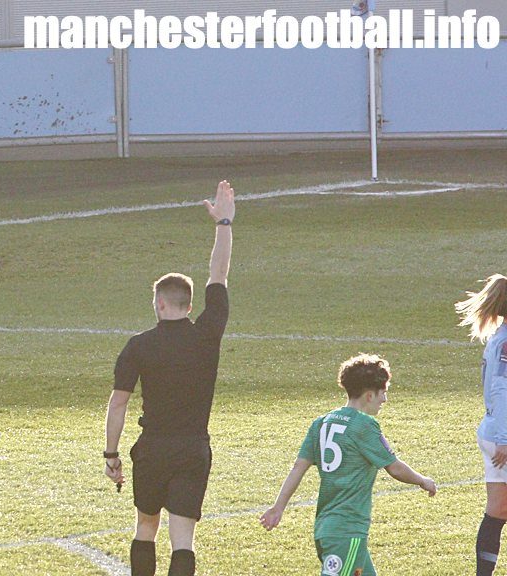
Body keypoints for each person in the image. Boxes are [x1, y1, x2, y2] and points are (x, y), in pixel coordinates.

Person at [103, 180, 234, 576]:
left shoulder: (139, 346)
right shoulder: (207, 333)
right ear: (190, 304)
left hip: (152, 450)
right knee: (183, 538)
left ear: (160, 303)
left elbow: (118, 403)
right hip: (193, 449)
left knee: (146, 527)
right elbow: (219, 274)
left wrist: (111, 455)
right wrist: (224, 222)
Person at [259, 353, 437, 576]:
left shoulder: (321, 423)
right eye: (384, 393)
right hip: (347, 531)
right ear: (370, 395)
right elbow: (394, 467)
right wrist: (423, 481)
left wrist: (278, 507)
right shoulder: (363, 426)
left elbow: (298, 467)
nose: (385, 400)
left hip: (326, 529)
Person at [456, 274, 507, 576]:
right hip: (500, 435)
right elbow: (501, 389)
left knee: (498, 510)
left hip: (493, 430)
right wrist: (504, 438)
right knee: (497, 510)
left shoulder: (498, 338)